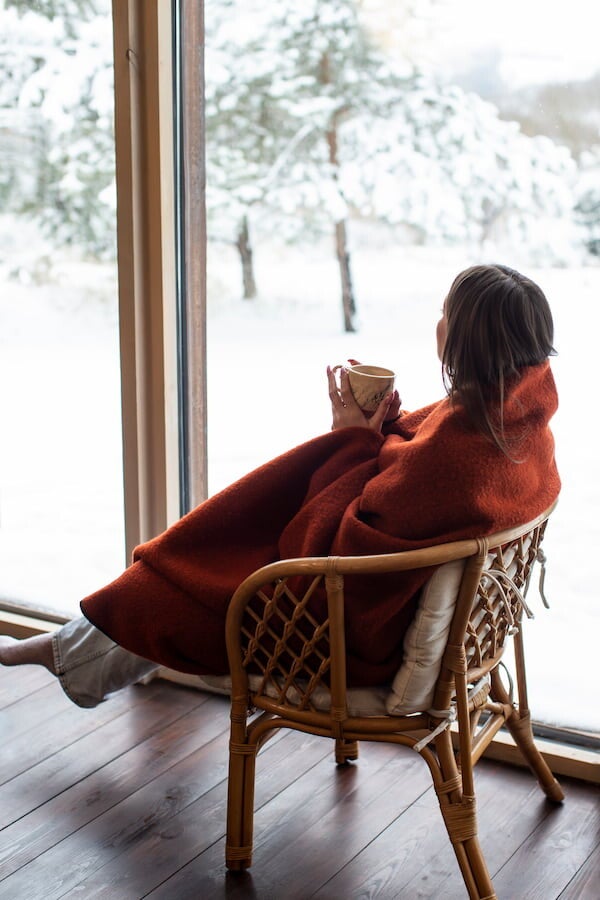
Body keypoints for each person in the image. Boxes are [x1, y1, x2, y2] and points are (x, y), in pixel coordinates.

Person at [0, 263, 561, 707]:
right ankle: (69, 652)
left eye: (445, 312)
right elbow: (409, 477)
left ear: (468, 338)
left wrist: (349, 440)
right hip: (408, 620)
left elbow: (321, 549)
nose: (437, 321)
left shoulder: (454, 456)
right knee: (192, 569)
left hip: (342, 632)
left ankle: (66, 653)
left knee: (179, 587)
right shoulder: (515, 422)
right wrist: (379, 431)